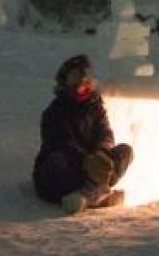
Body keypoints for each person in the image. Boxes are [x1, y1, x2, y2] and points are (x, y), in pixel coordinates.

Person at [32, 54, 134, 213]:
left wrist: (102, 153)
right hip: (67, 168)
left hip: (94, 166)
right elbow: (60, 142)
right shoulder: (55, 111)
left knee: (124, 151)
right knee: (57, 161)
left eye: (84, 79)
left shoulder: (95, 107)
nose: (80, 83)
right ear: (64, 80)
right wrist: (86, 161)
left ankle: (87, 194)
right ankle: (97, 193)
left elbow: (105, 134)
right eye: (74, 78)